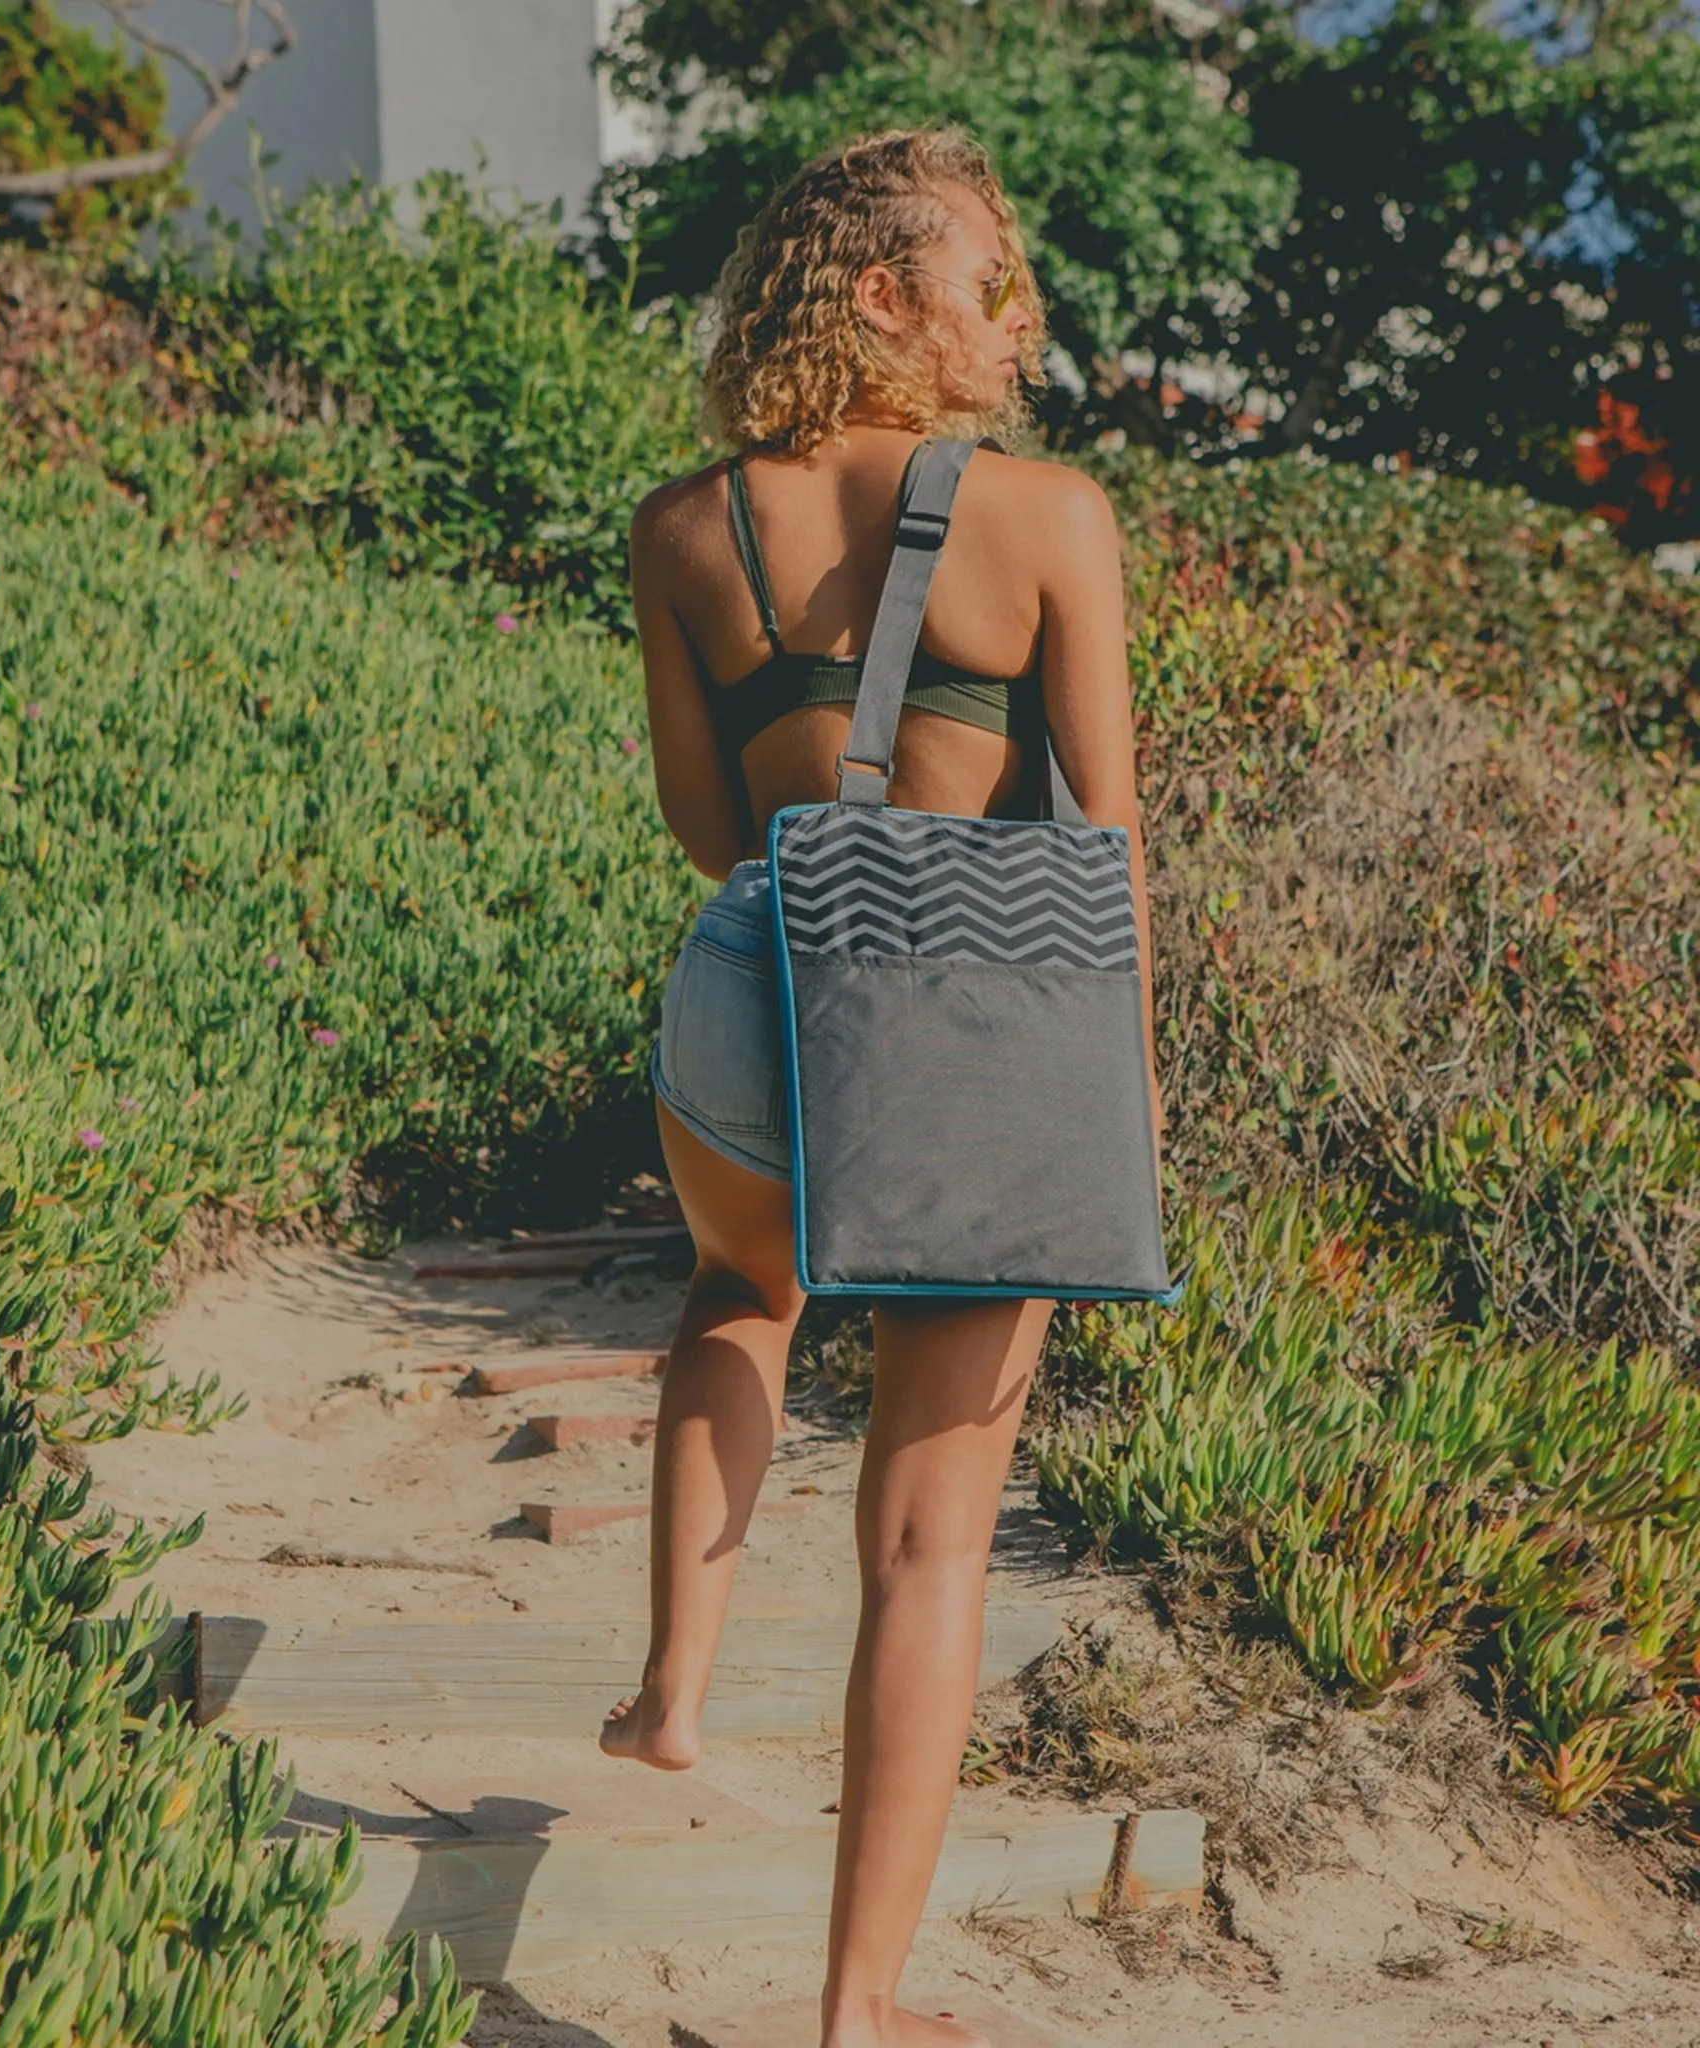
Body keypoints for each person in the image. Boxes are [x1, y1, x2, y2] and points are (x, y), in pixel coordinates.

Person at [601, 127, 1164, 2048]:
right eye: (993, 285)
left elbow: (700, 826)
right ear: (879, 301)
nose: (1024, 323)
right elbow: (1104, 846)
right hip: (968, 1030)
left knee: (738, 1293)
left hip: (745, 1000)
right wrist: (1119, 1102)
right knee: (931, 1537)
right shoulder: (1049, 516)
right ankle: (857, 2009)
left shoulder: (684, 526)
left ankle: (673, 1685)